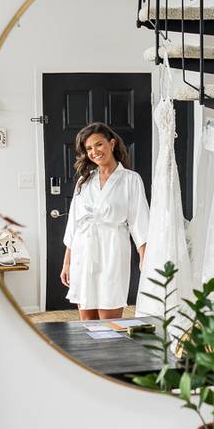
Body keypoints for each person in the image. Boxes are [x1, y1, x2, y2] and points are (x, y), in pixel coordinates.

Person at [61, 122, 150, 320]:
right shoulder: (84, 180)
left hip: (112, 250)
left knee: (109, 322)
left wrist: (144, 258)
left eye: (98, 145)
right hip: (83, 252)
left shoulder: (130, 179)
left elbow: (140, 221)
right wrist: (67, 263)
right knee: (87, 323)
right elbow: (74, 225)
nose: (94, 152)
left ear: (111, 144)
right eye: (89, 148)